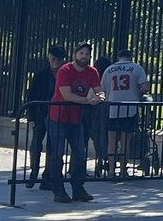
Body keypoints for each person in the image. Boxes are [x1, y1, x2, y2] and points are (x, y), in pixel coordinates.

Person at [45, 43, 105, 204]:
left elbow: (100, 90)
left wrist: (99, 97)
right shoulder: (65, 70)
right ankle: (58, 189)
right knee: (57, 154)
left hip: (75, 118)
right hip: (57, 117)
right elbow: (66, 94)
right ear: (75, 55)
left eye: (87, 54)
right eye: (81, 53)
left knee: (80, 153)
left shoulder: (92, 72)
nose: (84, 56)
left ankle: (78, 187)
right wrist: (88, 100)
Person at [102, 48, 149, 177]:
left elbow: (102, 90)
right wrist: (136, 93)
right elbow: (145, 87)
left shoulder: (109, 70)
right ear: (130, 56)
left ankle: (111, 170)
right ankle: (123, 170)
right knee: (125, 140)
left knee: (111, 141)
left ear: (118, 56)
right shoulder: (137, 68)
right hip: (130, 108)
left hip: (113, 108)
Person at [26, 46, 65, 189]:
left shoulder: (64, 74)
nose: (55, 61)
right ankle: (33, 172)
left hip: (57, 115)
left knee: (53, 147)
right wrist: (31, 117)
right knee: (35, 144)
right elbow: (32, 96)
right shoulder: (40, 75)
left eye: (59, 59)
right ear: (48, 57)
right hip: (41, 114)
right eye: (53, 58)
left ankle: (48, 176)